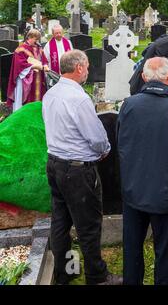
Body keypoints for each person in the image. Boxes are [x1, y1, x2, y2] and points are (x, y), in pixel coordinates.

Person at [42, 50, 122, 285]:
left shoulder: (51, 93)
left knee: (61, 221)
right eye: (86, 67)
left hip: (54, 163)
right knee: (88, 225)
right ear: (78, 68)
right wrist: (105, 150)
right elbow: (97, 138)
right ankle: (97, 277)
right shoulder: (78, 98)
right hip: (77, 169)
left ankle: (65, 272)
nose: (87, 70)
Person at [118, 57, 168, 285]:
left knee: (132, 247)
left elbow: (121, 143)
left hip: (134, 188)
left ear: (144, 77)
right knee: (164, 251)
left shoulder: (129, 105)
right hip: (166, 189)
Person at [7, 29, 49, 112]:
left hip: (39, 79)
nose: (36, 41)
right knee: (28, 99)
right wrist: (33, 66)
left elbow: (44, 60)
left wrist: (45, 65)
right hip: (26, 79)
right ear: (29, 37)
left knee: (39, 98)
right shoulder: (20, 49)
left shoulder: (39, 48)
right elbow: (19, 65)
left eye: (37, 39)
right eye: (35, 39)